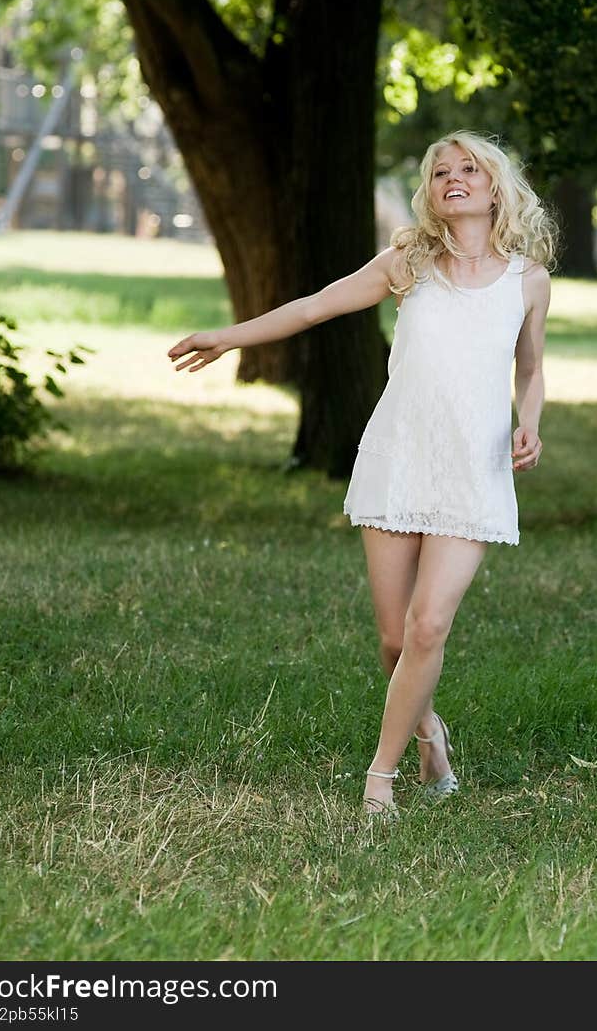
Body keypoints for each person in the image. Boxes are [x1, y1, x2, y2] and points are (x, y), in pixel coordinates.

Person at [168, 130, 556, 818]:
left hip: (474, 466)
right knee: (394, 640)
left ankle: (382, 774)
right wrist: (226, 337)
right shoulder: (408, 261)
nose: (454, 179)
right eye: (441, 172)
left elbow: (530, 367)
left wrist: (530, 420)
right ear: (432, 194)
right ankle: (429, 733)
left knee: (429, 626)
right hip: (397, 457)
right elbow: (314, 306)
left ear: (496, 188)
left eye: (469, 169)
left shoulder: (528, 280)